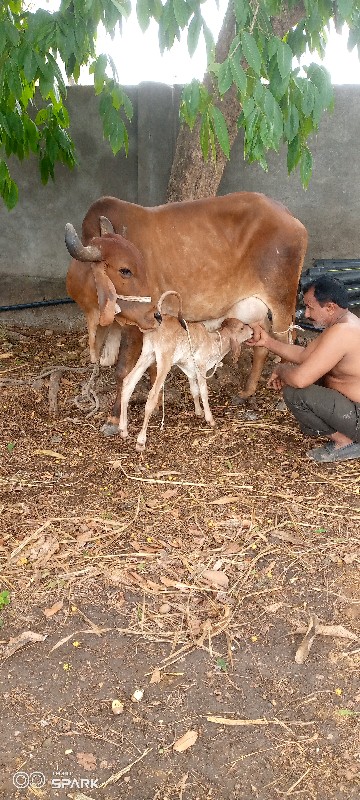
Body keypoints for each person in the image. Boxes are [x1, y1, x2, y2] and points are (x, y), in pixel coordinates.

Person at [247, 275, 360, 462]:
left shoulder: (343, 331)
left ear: (330, 307)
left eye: (310, 307)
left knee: (295, 391)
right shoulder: (344, 323)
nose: (306, 314)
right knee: (310, 373)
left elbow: (300, 379)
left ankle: (346, 442)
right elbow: (305, 355)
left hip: (356, 413)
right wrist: (267, 342)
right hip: (352, 408)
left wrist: (282, 370)